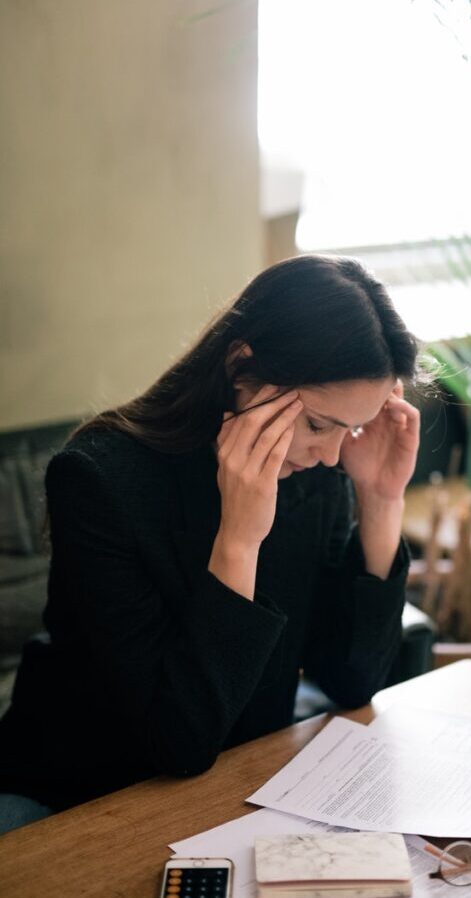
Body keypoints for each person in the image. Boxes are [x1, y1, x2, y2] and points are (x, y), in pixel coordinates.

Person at [0, 254, 421, 833]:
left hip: (238, 779)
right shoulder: (98, 480)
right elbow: (178, 743)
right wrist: (239, 541)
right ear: (240, 367)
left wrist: (380, 501)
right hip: (86, 786)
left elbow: (351, 682)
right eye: (319, 424)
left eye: (349, 429)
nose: (330, 454)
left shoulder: (316, 473)